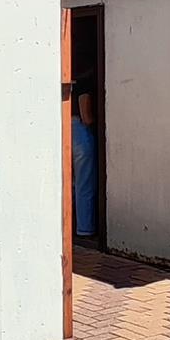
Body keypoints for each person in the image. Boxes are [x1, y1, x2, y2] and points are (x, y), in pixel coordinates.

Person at [71, 76, 99, 238]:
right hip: (80, 132)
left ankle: (67, 226)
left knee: (69, 184)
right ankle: (85, 228)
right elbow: (86, 117)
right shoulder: (85, 82)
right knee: (84, 183)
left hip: (64, 128)